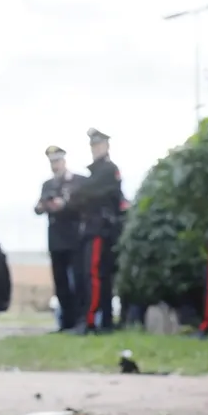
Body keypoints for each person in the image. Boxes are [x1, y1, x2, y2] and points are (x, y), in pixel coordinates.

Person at [66, 128, 124, 334]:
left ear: (106, 146)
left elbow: (88, 192)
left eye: (98, 145)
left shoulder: (108, 170)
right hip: (94, 229)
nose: (95, 149)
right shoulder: (95, 174)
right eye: (93, 145)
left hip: (100, 229)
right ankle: (103, 321)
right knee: (98, 275)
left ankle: (91, 321)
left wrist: (80, 193)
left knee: (95, 275)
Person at [33, 146, 86, 332]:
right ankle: (66, 322)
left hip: (73, 239)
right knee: (61, 283)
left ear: (63, 161)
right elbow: (38, 208)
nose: (55, 165)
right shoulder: (48, 185)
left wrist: (64, 205)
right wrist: (44, 206)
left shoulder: (77, 182)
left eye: (57, 161)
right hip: (56, 241)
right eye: (52, 162)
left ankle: (81, 320)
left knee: (77, 281)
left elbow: (80, 205)